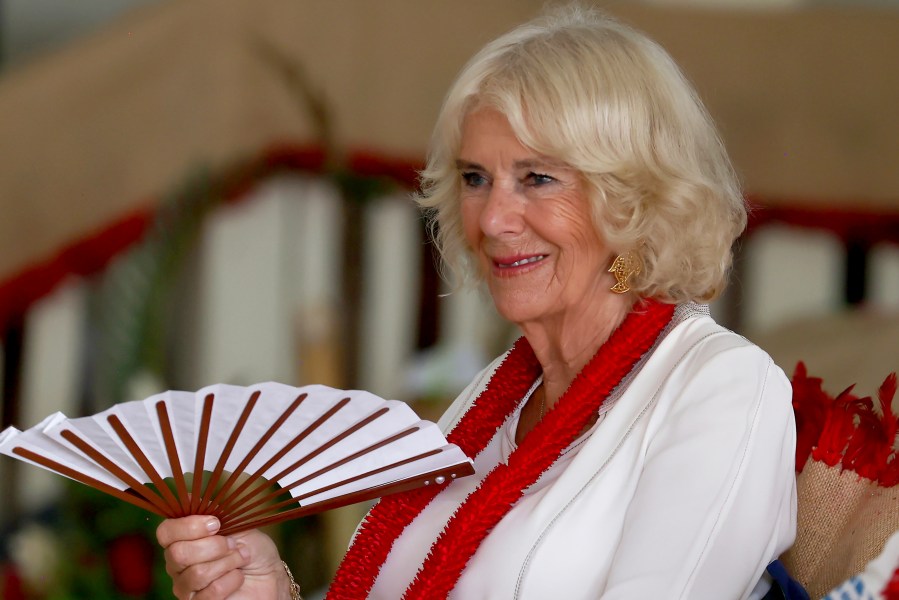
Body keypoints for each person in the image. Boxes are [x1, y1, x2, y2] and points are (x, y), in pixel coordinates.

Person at [155, 5, 797, 599]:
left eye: (537, 178)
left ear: (632, 198)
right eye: (475, 178)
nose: (492, 219)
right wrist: (270, 592)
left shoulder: (722, 388)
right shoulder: (495, 398)